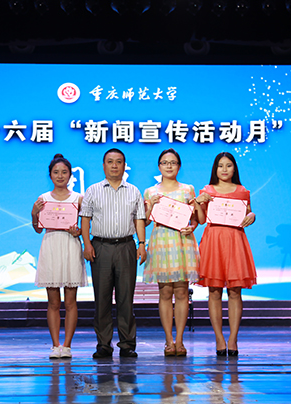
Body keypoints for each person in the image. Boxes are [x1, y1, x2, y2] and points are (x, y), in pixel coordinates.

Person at [79, 148, 147, 359]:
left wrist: (141, 244)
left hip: (126, 246)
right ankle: (103, 345)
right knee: (102, 299)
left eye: (119, 162)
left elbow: (139, 220)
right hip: (101, 247)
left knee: (126, 298)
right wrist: (87, 244)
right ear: (103, 165)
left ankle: (127, 344)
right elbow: (85, 219)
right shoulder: (93, 190)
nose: (114, 165)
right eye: (110, 162)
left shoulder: (134, 191)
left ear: (124, 166)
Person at [193, 151, 257, 357]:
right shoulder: (207, 190)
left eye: (228, 165)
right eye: (220, 165)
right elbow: (201, 220)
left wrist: (252, 215)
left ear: (234, 168)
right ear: (215, 168)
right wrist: (198, 202)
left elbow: (247, 213)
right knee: (214, 291)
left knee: (235, 291)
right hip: (213, 241)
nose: (224, 169)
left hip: (235, 241)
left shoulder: (243, 191)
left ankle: (233, 339)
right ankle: (219, 338)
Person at [143, 148, 200, 357]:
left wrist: (192, 227)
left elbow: (195, 219)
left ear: (179, 166)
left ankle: (180, 341)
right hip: (161, 242)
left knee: (182, 292)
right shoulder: (150, 192)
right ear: (159, 166)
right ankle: (168, 341)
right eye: (165, 162)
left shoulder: (188, 189)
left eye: (173, 162)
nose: (169, 166)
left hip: (182, 242)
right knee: (165, 292)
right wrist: (151, 206)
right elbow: (145, 221)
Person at [31, 154, 86, 359]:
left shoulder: (78, 199)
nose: (60, 176)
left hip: (71, 245)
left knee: (71, 301)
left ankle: (67, 346)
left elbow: (85, 227)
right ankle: (55, 346)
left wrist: (78, 232)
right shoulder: (43, 199)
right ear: (50, 175)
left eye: (64, 172)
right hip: (51, 245)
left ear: (70, 175)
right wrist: (34, 214)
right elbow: (38, 229)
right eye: (56, 172)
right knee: (53, 302)